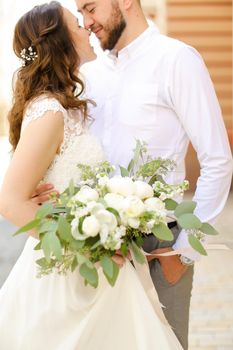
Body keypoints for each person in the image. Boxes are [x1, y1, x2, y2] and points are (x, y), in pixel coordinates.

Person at [0, 1, 184, 349]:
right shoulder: (49, 111)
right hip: (67, 275)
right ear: (58, 41)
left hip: (98, 268)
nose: (86, 25)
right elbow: (9, 200)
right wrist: (87, 249)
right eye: (76, 22)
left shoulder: (65, 105)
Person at [73, 0, 232, 348]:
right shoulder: (90, 73)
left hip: (159, 250)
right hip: (97, 249)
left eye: (90, 8)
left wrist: (183, 253)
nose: (85, 22)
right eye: (79, 13)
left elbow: (218, 159)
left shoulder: (177, 60)